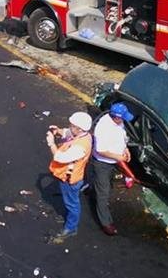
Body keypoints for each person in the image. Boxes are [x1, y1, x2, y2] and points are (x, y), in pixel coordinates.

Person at [46, 111, 93, 242]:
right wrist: (58, 131)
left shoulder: (80, 147)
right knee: (70, 201)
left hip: (70, 179)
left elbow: (60, 158)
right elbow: (68, 133)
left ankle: (71, 228)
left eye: (72, 126)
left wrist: (51, 143)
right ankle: (70, 219)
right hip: (67, 176)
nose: (69, 127)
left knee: (72, 204)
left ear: (80, 129)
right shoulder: (82, 135)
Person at [91, 102, 134, 236]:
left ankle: (94, 189)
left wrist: (125, 149)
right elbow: (101, 150)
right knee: (103, 193)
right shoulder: (103, 128)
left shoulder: (119, 122)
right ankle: (105, 223)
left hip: (114, 161)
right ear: (116, 117)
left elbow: (122, 137)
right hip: (102, 163)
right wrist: (119, 157)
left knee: (107, 184)